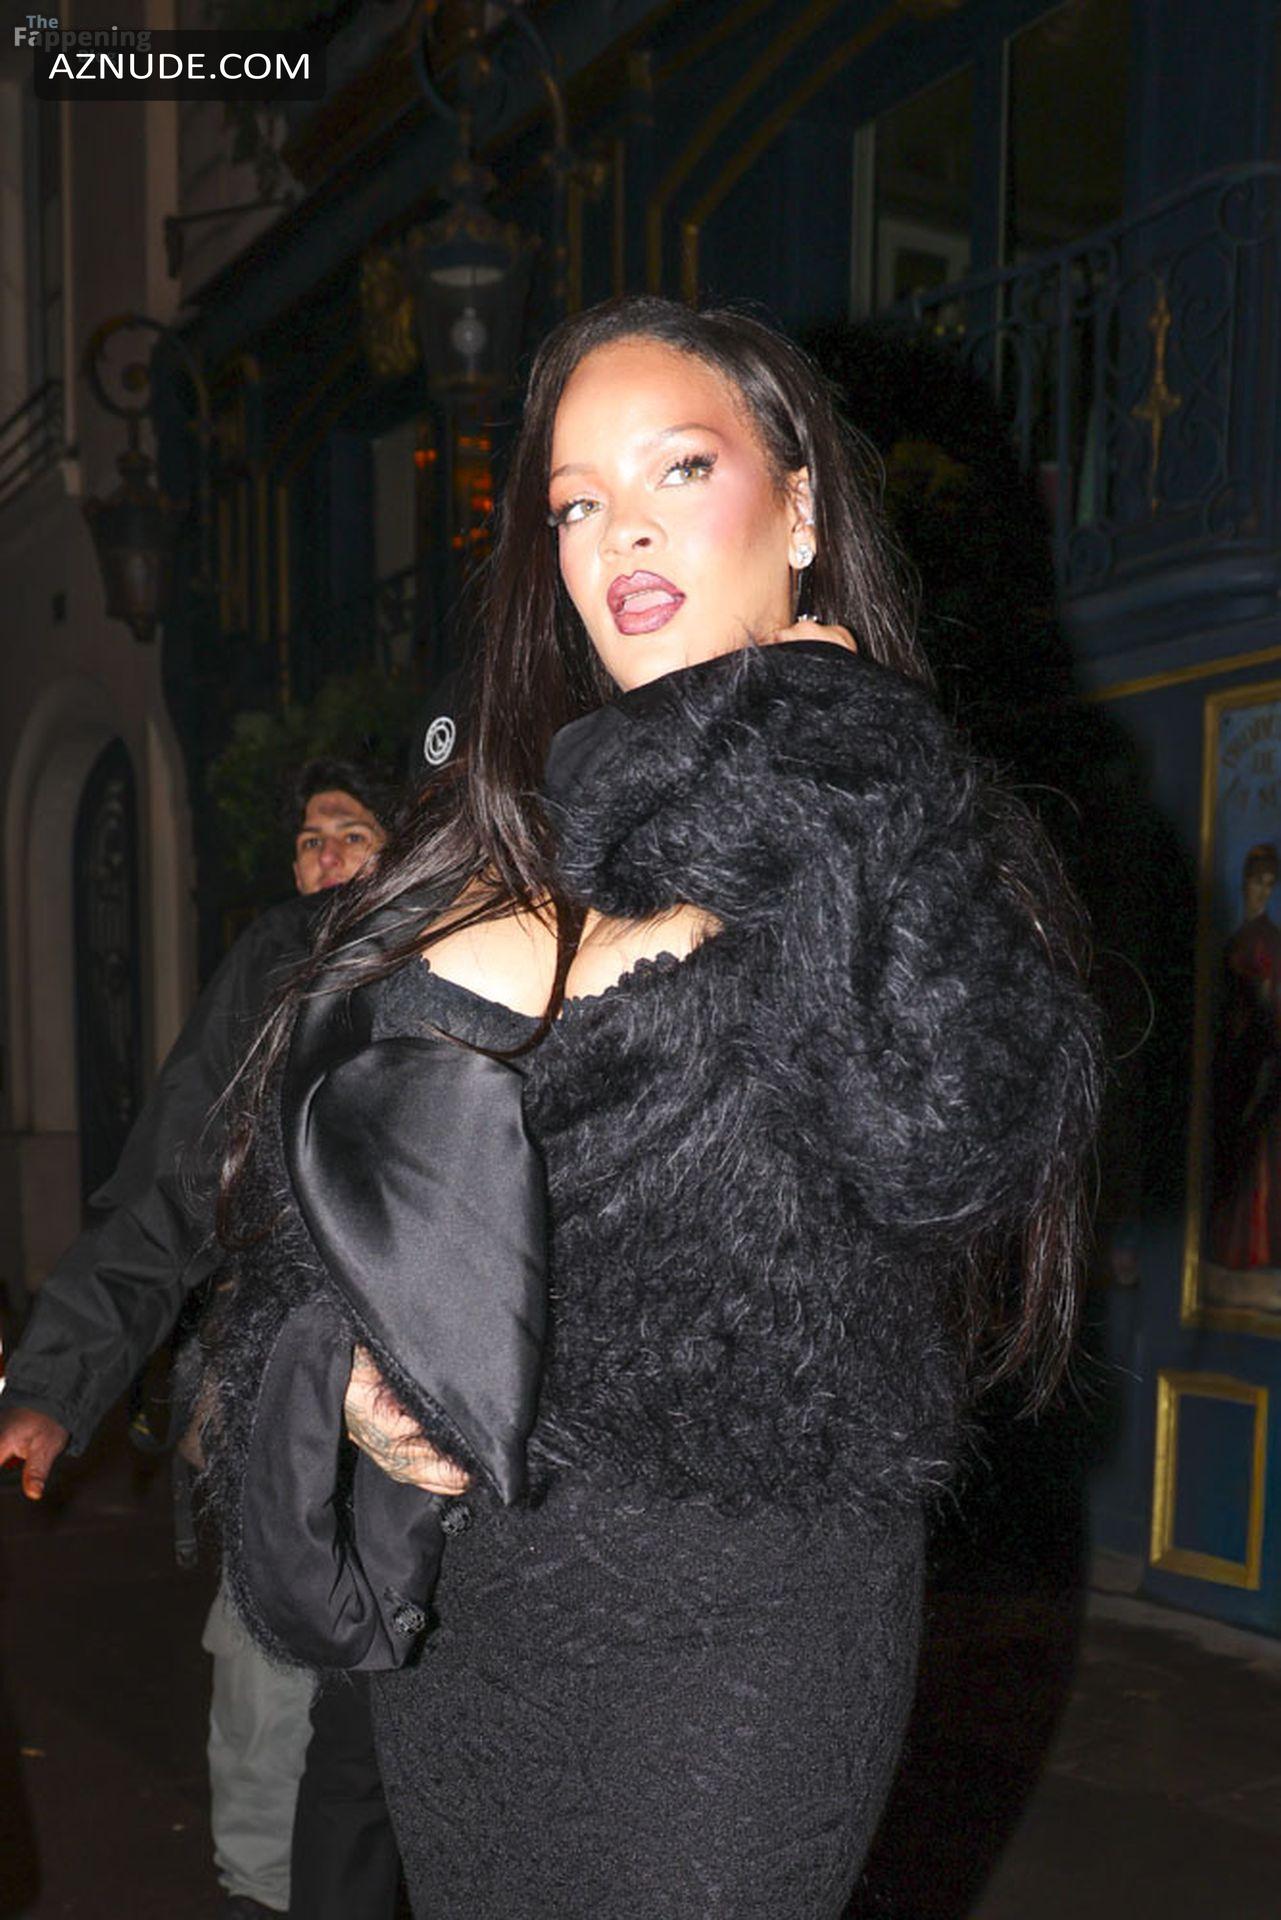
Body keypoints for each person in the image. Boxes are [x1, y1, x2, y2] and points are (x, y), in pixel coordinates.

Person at [203, 296, 1101, 1920]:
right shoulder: (486, 841)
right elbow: (292, 1229)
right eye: (575, 501)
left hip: (733, 1628)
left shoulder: (893, 817)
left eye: (679, 469)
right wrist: (348, 1385)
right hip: (472, 1627)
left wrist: (827, 760)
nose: (620, 529)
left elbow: (946, 1144)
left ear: (802, 507)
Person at [0, 756, 397, 1919]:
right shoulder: (271, 966)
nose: (322, 853)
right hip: (286, 1426)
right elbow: (173, 1185)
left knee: (412, 1761)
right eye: (307, 838)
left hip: (446, 1441)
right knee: (273, 1728)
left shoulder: (478, 952)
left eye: (350, 829)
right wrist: (56, 1384)